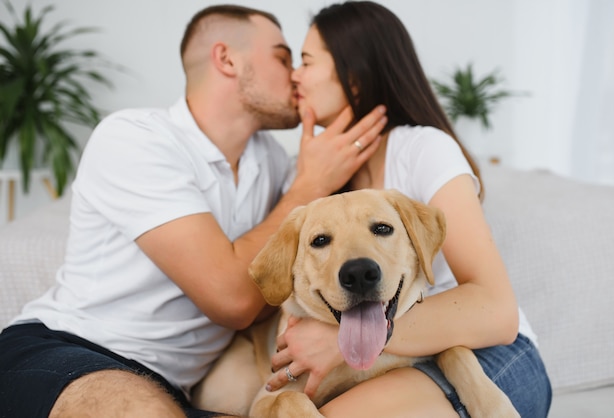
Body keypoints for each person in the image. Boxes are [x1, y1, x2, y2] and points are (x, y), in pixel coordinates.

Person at [0, 5, 388, 418]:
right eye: (281, 56)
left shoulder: (274, 164)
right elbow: (233, 301)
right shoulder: (134, 138)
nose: (295, 74)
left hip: (169, 388)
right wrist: (309, 186)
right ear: (226, 59)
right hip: (65, 350)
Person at [265, 2, 552, 417]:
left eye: (306, 61)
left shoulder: (423, 149)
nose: (294, 75)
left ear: (354, 74)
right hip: (379, 359)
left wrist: (336, 339)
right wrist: (307, 182)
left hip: (486, 354)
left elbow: (497, 311)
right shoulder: (312, 177)